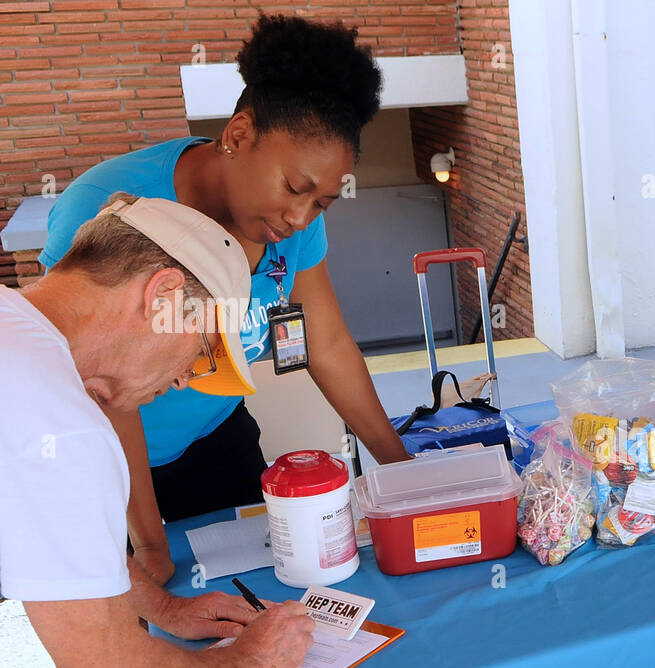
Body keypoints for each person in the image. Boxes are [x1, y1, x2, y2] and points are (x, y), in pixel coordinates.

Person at [40, 14, 412, 587]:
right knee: (146, 613)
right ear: (237, 136)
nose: (300, 217)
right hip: (107, 460)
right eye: (294, 188)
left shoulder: (293, 225)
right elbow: (104, 389)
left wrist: (402, 473)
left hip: (214, 436)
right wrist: (149, 539)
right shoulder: (108, 207)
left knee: (256, 592)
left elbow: (326, 342)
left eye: (323, 203)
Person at [1, 194, 316, 668]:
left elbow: (59, 540)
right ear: (164, 296)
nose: (187, 377)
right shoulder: (62, 424)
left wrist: (164, 608)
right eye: (201, 349)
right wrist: (252, 661)